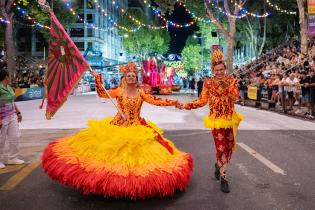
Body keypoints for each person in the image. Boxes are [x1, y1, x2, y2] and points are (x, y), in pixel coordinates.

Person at [42, 62, 193, 199]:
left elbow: (156, 101)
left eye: (134, 75)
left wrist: (174, 102)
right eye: (129, 75)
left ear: (136, 77)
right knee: (111, 158)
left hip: (136, 128)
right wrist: (97, 79)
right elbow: (102, 93)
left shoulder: (141, 93)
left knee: (136, 160)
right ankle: (110, 186)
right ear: (125, 77)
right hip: (117, 127)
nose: (131, 78)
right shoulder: (119, 91)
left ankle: (131, 187)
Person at [176, 50, 243, 193]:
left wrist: (227, 87)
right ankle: (224, 179)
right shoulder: (208, 83)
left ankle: (218, 165)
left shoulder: (232, 81)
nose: (219, 72)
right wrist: (186, 105)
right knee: (221, 148)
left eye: (221, 69)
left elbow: (235, 98)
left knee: (229, 147)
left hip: (229, 119)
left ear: (225, 68)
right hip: (216, 120)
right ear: (213, 70)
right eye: (216, 70)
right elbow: (202, 101)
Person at [0, 70, 24, 169]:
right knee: (1, 140)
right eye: (9, 76)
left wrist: (18, 112)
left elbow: (12, 102)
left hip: (12, 115)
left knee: (15, 136)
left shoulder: (9, 88)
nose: (10, 78)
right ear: (6, 77)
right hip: (2, 117)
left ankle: (12, 158)